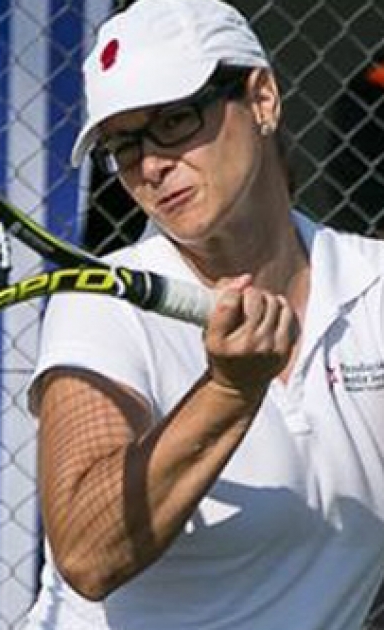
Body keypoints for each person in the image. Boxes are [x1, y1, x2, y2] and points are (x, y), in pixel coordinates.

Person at [24, 0, 384, 628]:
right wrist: (228, 392)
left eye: (175, 121)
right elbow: (85, 552)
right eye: (124, 144)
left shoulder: (374, 285)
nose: (152, 165)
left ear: (263, 99)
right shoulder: (99, 303)